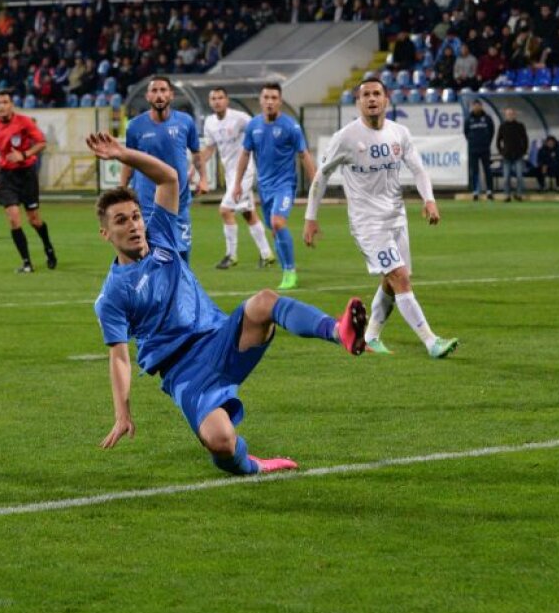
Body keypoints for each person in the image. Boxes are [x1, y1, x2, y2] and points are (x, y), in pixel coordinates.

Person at [86, 131, 368, 476]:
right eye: (121, 221)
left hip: (220, 338)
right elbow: (119, 357)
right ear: (105, 234)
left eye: (135, 216)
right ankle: (250, 465)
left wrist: (122, 153)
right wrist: (122, 412)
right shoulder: (112, 295)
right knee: (220, 441)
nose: (133, 225)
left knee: (265, 301)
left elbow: (169, 177)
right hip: (182, 372)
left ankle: (340, 331)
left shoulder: (160, 233)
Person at [304, 78, 459, 358]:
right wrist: (310, 217)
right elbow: (322, 174)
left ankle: (371, 336)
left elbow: (419, 169)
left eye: (377, 94)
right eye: (366, 95)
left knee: (392, 279)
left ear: (386, 100)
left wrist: (430, 200)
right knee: (400, 277)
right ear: (358, 102)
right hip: (368, 223)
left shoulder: (399, 133)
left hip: (396, 218)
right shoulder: (347, 137)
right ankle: (431, 341)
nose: (372, 99)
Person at [233, 83, 316, 289]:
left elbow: (304, 155)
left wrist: (316, 183)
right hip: (265, 186)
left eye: (273, 98)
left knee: (278, 223)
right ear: (261, 100)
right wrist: (237, 184)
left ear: (279, 101)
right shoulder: (253, 126)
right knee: (274, 229)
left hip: (285, 184)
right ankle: (285, 266)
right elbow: (245, 154)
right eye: (266, 98)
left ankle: (289, 271)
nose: (269, 102)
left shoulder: (290, 126)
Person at [119, 76, 205, 263]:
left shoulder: (185, 122)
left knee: (182, 257)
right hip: (147, 203)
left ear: (171, 95)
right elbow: (128, 160)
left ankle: (181, 292)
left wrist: (203, 178)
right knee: (151, 257)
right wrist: (122, 188)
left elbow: (197, 154)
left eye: (163, 90)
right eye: (155, 91)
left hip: (179, 203)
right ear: (148, 96)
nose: (159, 95)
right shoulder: (135, 126)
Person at [201, 87, 275, 269]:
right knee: (248, 213)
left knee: (225, 210)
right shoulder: (209, 122)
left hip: (245, 171)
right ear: (210, 102)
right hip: (229, 173)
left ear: (227, 100)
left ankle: (231, 255)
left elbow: (257, 130)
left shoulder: (240, 118)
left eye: (220, 98)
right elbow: (209, 149)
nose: (217, 101)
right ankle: (267, 255)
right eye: (213, 98)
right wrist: (194, 169)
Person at [0, 89, 55, 272]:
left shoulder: (24, 122)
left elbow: (41, 143)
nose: (1, 106)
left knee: (34, 220)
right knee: (14, 219)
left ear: (11, 105)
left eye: (4, 102)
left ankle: (48, 247)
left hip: (26, 175)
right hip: (7, 177)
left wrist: (24, 154)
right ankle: (27, 263)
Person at [463, 99, 495, 200]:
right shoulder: (469, 119)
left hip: (485, 149)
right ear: (473, 107)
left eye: (478, 106)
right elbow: (466, 132)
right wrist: (472, 141)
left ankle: (489, 191)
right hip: (473, 150)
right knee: (474, 171)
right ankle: (475, 191)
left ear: (481, 107)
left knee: (487, 170)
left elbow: (491, 131)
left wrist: (486, 142)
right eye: (475, 106)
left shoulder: (487, 118)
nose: (477, 108)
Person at [495, 108, 528, 201]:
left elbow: (525, 139)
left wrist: (523, 151)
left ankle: (519, 194)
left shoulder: (520, 126)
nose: (510, 115)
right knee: (506, 177)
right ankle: (507, 195)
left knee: (519, 176)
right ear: (505, 115)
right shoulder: (503, 126)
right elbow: (498, 141)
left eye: (511, 114)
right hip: (507, 156)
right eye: (508, 114)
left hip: (518, 155)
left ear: (515, 115)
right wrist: (501, 151)